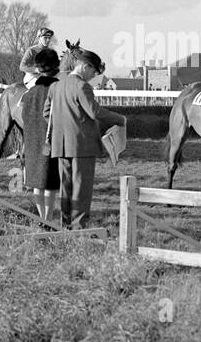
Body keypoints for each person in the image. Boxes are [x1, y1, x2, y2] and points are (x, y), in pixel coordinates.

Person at [45, 46, 126, 229]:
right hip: (82, 145)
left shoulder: (55, 86)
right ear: (85, 66)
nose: (93, 76)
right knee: (81, 188)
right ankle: (79, 228)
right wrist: (120, 119)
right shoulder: (82, 86)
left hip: (61, 144)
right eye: (93, 71)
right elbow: (95, 111)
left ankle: (65, 226)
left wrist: (62, 128)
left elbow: (47, 114)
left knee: (66, 188)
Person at [18, 47, 62, 222]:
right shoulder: (56, 90)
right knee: (50, 184)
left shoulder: (29, 94)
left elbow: (23, 118)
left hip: (32, 142)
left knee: (37, 183)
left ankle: (42, 218)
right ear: (55, 68)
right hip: (50, 142)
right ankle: (48, 218)